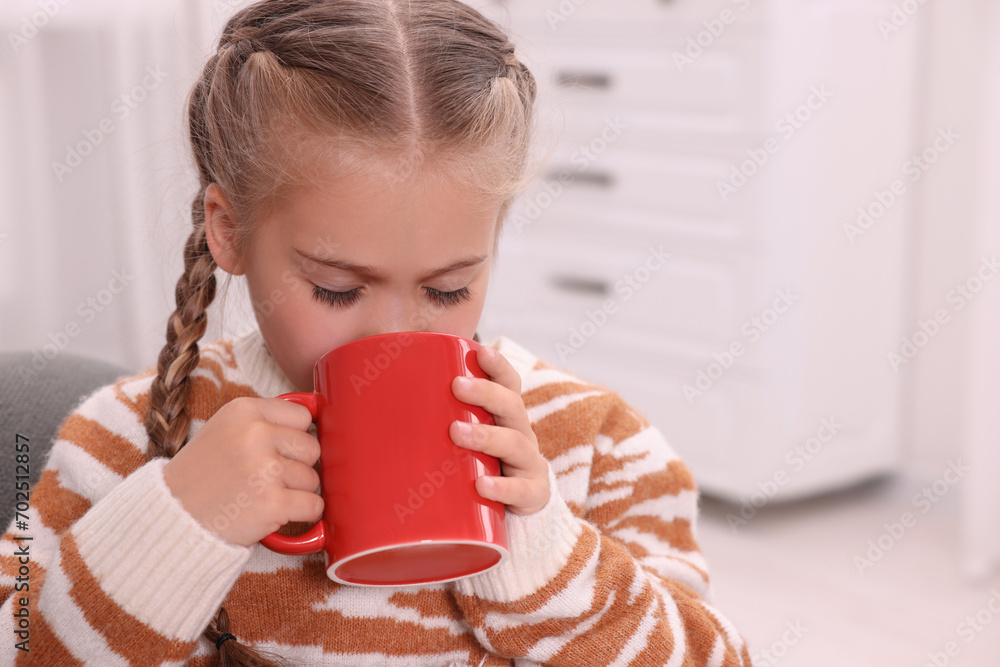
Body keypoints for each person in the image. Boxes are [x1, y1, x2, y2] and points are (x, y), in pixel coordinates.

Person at [0, 0, 751, 664]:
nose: (393, 333)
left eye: (448, 287)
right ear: (228, 231)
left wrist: (544, 556)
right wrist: (171, 528)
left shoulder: (598, 447)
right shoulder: (121, 440)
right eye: (337, 288)